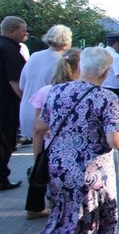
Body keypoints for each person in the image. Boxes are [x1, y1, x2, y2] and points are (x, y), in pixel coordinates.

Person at [28, 46, 119, 234]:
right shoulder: (106, 98)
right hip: (93, 175)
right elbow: (114, 140)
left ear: (82, 66)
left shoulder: (56, 92)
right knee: (96, 226)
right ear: (106, 72)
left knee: (64, 219)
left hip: (60, 170)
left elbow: (41, 126)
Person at [24, 48, 81, 220]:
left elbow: (37, 129)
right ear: (80, 67)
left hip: (51, 150)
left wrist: (37, 159)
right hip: (75, 151)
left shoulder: (45, 91)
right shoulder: (82, 91)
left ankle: (48, 208)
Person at [18, 25, 73, 143]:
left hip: (27, 111)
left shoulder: (34, 56)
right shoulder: (63, 61)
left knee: (38, 153)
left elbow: (22, 85)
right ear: (67, 41)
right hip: (47, 116)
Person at [0, 15, 28, 190]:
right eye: (23, 30)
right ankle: (2, 178)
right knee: (5, 141)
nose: (25, 34)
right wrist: (27, 102)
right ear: (12, 31)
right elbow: (15, 82)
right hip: (6, 105)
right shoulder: (10, 50)